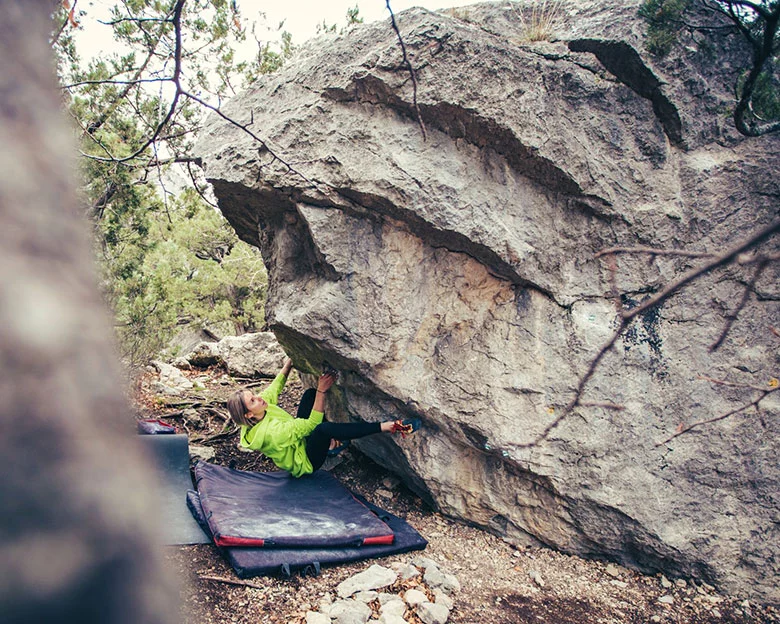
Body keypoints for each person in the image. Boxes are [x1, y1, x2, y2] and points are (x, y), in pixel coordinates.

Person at [226, 358, 420, 477]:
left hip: (300, 441)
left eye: (254, 394)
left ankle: (331, 444)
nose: (258, 398)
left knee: (310, 395)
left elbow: (274, 388)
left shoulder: (258, 411)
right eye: (253, 400)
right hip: (306, 461)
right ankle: (389, 426)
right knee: (321, 429)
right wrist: (322, 390)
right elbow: (312, 424)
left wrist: (288, 364)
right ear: (249, 414)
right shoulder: (271, 434)